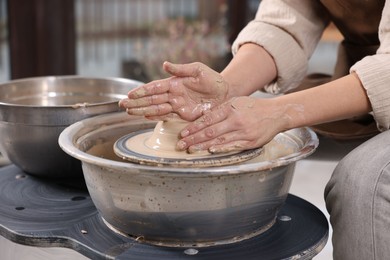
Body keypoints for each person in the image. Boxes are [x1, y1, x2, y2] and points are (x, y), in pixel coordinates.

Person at [119, 1, 390, 259]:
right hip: (363, 80)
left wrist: (280, 112)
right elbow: (285, 22)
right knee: (241, 126)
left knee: (363, 180)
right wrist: (227, 87)